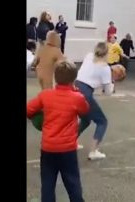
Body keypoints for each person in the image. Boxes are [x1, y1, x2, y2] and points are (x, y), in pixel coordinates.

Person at [27, 60, 90, 202]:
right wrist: (76, 92)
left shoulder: (45, 95)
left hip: (48, 147)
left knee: (48, 185)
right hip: (67, 149)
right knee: (73, 183)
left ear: (55, 77)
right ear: (74, 78)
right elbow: (85, 110)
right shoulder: (77, 97)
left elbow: (29, 110)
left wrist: (38, 119)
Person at [75, 42, 115, 160]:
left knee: (86, 120)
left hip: (75, 88)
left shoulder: (88, 56)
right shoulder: (105, 68)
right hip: (85, 92)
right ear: (107, 53)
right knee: (102, 121)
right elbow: (108, 92)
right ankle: (93, 151)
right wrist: (112, 81)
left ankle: (70, 141)